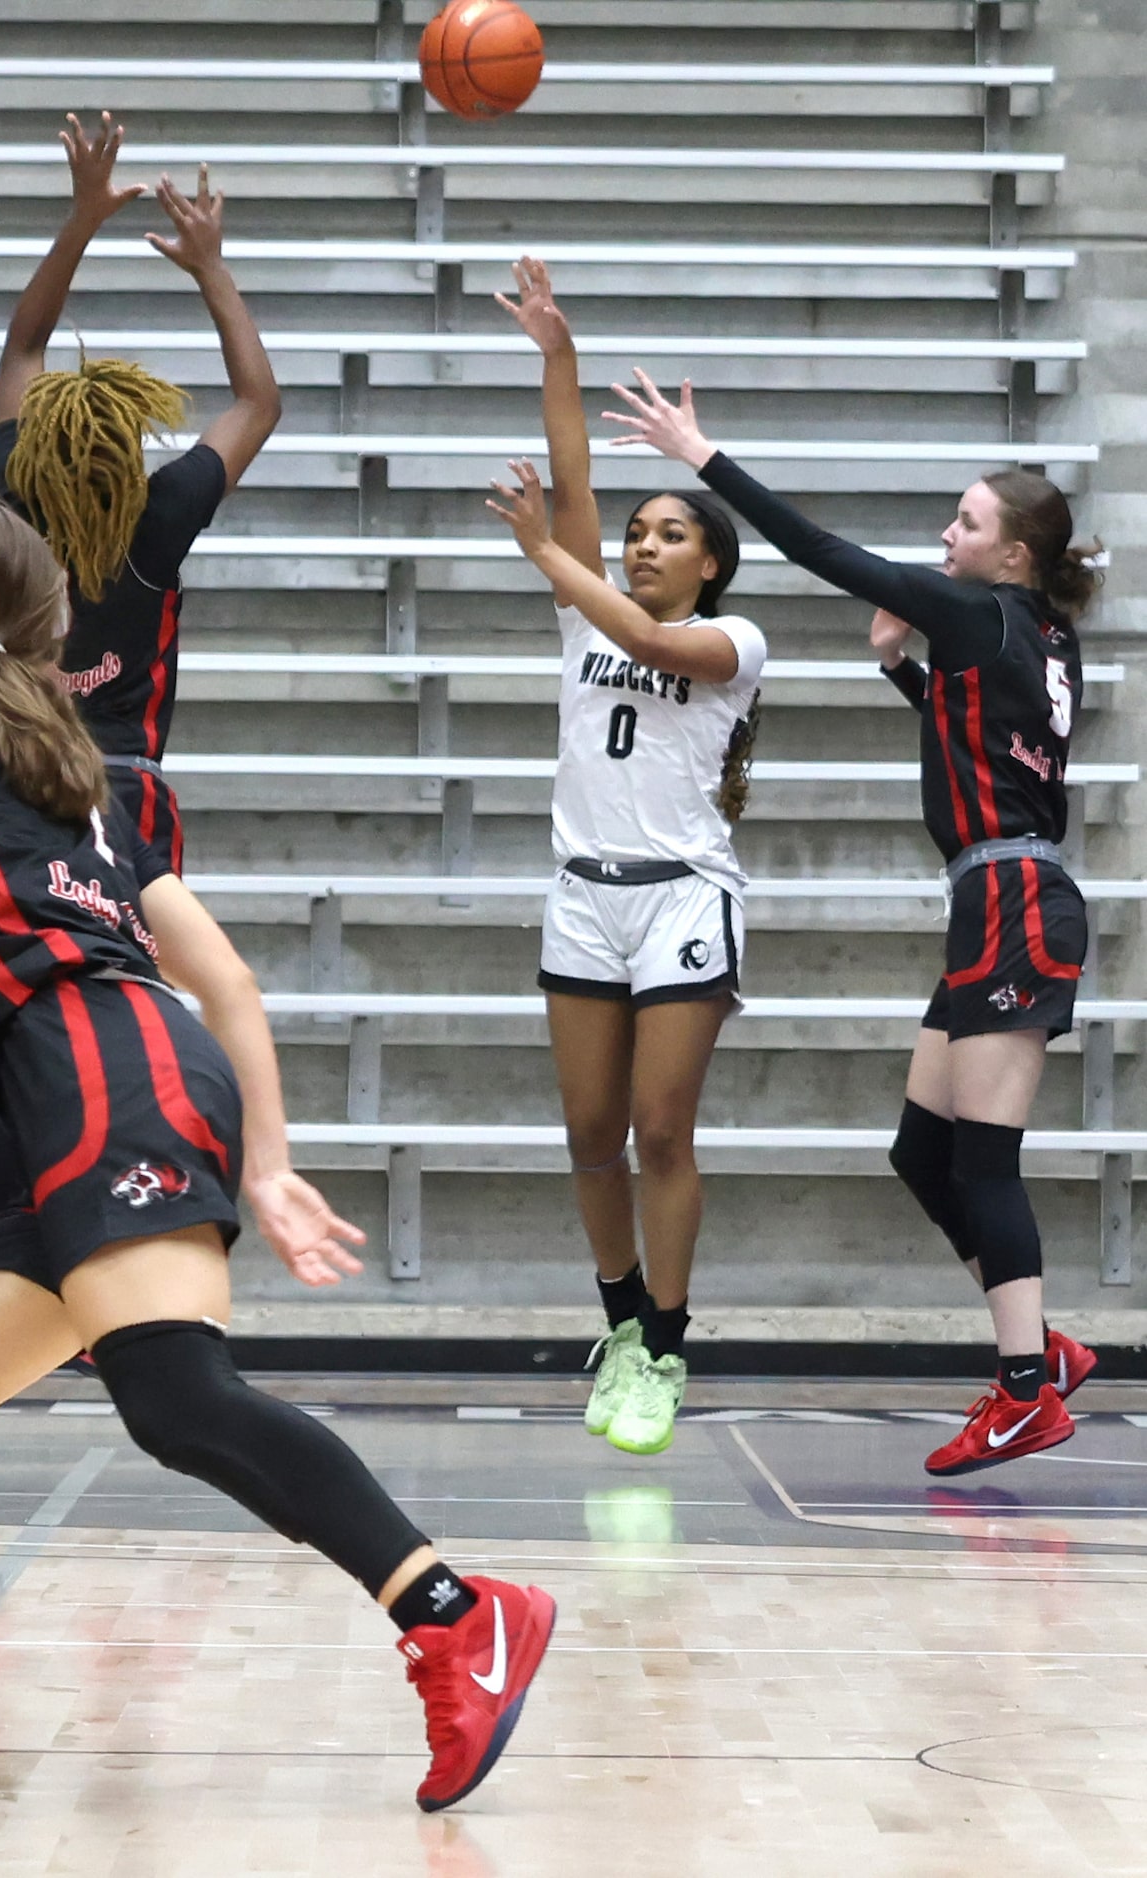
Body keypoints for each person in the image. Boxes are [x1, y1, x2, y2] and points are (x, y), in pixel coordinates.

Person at [0, 490, 554, 1812]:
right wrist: (260, 1156)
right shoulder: (72, 789)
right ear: (42, 624)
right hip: (92, 1084)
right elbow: (232, 984)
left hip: (97, 1068)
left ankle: (455, 1608)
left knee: (174, 1395)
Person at [608, 367, 1101, 1477]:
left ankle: (1025, 1388)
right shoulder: (1037, 633)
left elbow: (824, 553)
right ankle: (1043, 1350)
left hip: (1014, 901)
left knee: (986, 1162)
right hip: (1003, 896)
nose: (947, 532)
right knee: (924, 1151)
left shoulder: (975, 608)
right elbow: (983, 745)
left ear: (1011, 553)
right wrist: (896, 672)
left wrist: (704, 458)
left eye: (966, 521)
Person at [0, 110, 282, 1231]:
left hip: (6, 788)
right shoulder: (158, 519)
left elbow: (21, 352)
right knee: (134, 1000)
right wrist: (212, 271)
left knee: (16, 1004)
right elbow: (258, 403)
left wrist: (80, 222)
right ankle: (139, 1199)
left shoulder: (12, 498)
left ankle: (10, 1219)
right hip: (122, 794)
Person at [490, 258, 765, 1459]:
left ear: (710, 562)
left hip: (681, 903)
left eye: (670, 536)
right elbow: (575, 473)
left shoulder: (733, 641)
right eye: (637, 534)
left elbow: (644, 632)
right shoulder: (590, 604)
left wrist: (549, 556)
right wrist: (556, 349)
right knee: (588, 1133)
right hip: (582, 899)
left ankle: (670, 1341)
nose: (644, 546)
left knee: (662, 1130)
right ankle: (619, 1327)